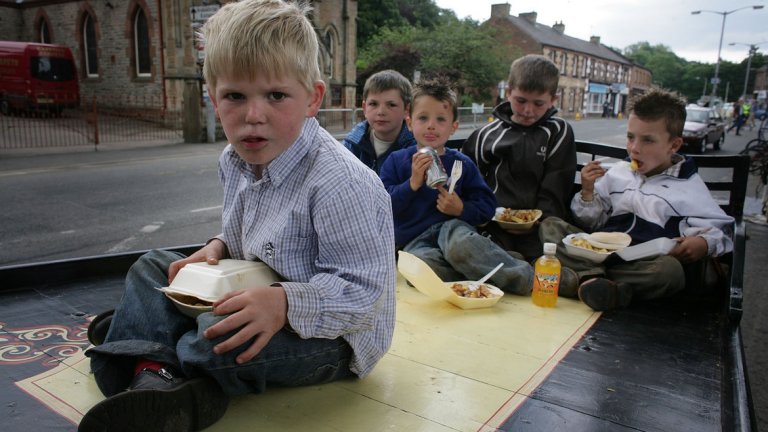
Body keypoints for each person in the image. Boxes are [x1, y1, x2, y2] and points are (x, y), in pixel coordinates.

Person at [79, 1, 396, 430]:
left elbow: (363, 295)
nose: (253, 116)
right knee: (152, 266)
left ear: (312, 98)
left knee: (214, 338)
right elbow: (246, 233)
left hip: (331, 337)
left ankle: (146, 350)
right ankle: (156, 367)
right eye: (234, 96)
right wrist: (218, 246)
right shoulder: (235, 159)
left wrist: (284, 303)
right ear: (214, 98)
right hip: (252, 290)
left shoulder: (342, 182)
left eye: (276, 96)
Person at [540, 88, 734, 311]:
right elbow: (591, 223)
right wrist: (587, 192)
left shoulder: (689, 187)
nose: (634, 149)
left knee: (669, 272)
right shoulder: (618, 173)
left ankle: (580, 281)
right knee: (550, 226)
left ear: (674, 145)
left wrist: (703, 243)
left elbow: (721, 230)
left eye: (648, 140)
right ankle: (598, 283)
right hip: (598, 255)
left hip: (642, 264)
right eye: (631, 137)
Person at [380, 77, 533, 295]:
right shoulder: (396, 161)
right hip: (415, 241)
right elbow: (383, 208)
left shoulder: (463, 164)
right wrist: (411, 184)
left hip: (453, 230)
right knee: (419, 270)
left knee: (459, 248)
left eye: (441, 119)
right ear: (410, 123)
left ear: (453, 127)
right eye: (423, 118)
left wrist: (461, 209)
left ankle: (525, 278)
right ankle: (495, 263)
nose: (431, 125)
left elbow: (487, 206)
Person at [461, 54, 576, 264]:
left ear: (553, 100)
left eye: (539, 103)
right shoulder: (486, 135)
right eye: (520, 100)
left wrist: (537, 220)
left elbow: (556, 185)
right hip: (494, 223)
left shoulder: (558, 131)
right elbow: (470, 180)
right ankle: (513, 265)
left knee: (554, 232)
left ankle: (514, 265)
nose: (528, 110)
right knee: (463, 239)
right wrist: (482, 214)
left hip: (541, 226)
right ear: (508, 93)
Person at [343, 69, 417, 173]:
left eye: (391, 105)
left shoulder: (417, 149)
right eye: (373, 104)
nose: (381, 112)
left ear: (406, 110)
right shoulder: (351, 145)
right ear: (364, 107)